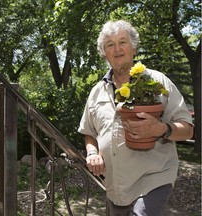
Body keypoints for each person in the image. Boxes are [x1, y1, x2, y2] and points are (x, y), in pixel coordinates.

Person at [78, 20, 194, 216]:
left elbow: (187, 129)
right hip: (115, 186)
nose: (117, 49)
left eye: (122, 42)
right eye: (110, 45)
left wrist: (161, 129)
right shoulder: (97, 92)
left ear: (133, 48)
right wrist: (92, 153)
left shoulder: (157, 82)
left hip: (154, 178)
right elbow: (89, 133)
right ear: (104, 54)